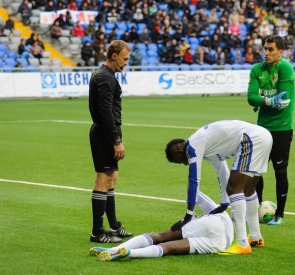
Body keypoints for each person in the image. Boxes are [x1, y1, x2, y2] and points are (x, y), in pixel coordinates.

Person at [165, 119, 274, 255]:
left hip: (251, 139)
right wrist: (224, 203)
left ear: (180, 152)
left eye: (180, 162)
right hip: (264, 136)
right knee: (248, 190)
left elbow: (194, 180)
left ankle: (242, 244)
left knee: (234, 189)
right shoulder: (206, 147)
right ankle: (256, 238)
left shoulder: (193, 147)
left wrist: (188, 214)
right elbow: (222, 172)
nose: (184, 164)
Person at [89, 191, 234, 261]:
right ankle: (128, 253)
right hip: (220, 242)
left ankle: (114, 249)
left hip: (216, 222)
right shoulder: (222, 231)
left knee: (159, 236)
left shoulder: (220, 211)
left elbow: (194, 192)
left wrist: (190, 216)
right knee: (168, 247)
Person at [247, 35, 295, 226]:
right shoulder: (257, 69)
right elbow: (251, 97)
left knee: (280, 171)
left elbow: (284, 102)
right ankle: (255, 208)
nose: (266, 53)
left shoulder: (285, 67)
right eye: (265, 49)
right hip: (261, 129)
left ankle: (280, 214)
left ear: (280, 51)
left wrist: (265, 100)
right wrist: (267, 101)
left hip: (281, 128)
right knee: (254, 172)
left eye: (271, 49)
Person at [88, 40, 133, 243]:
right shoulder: (105, 78)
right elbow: (105, 111)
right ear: (114, 56)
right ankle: (97, 232)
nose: (125, 63)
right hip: (105, 134)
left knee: (111, 178)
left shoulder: (105, 75)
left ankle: (113, 226)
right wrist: (115, 139)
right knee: (103, 179)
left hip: (109, 132)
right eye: (124, 59)